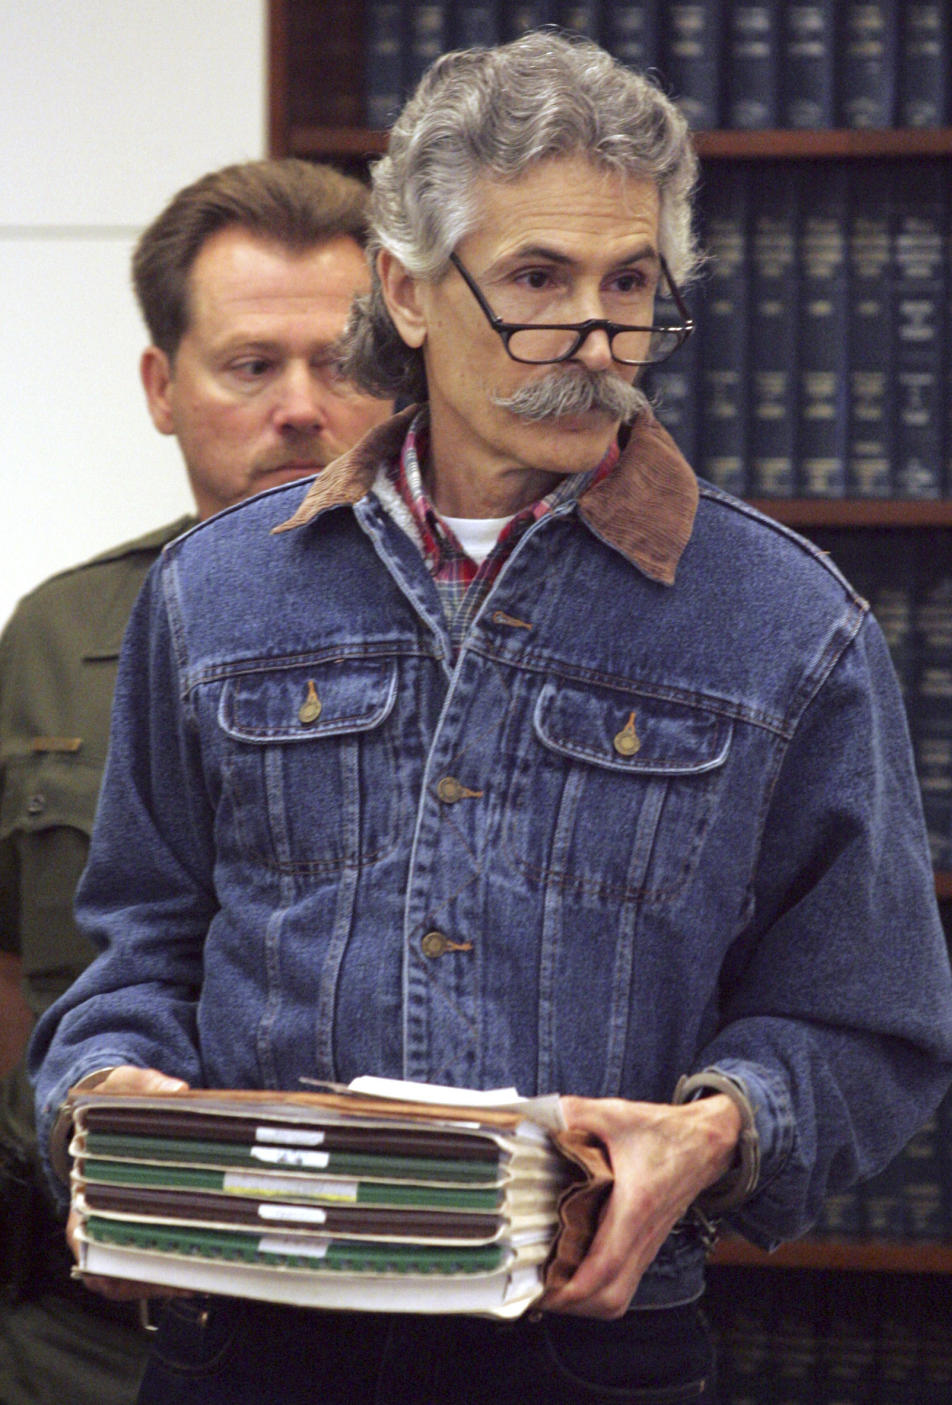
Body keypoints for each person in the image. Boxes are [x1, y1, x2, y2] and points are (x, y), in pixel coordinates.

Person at [29, 33, 952, 1405]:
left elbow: (869, 1023)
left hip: (593, 1354)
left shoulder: (787, 623)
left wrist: (715, 1130)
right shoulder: (213, 593)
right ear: (405, 288)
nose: (595, 340)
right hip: (243, 1345)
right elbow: (135, 955)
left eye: (630, 284)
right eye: (537, 279)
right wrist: (109, 1096)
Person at [0, 157, 392, 1405]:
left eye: (341, 363)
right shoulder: (57, 638)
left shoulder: (487, 634)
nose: (300, 407)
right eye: (250, 364)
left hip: (395, 1320)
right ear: (164, 389)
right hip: (88, 1338)